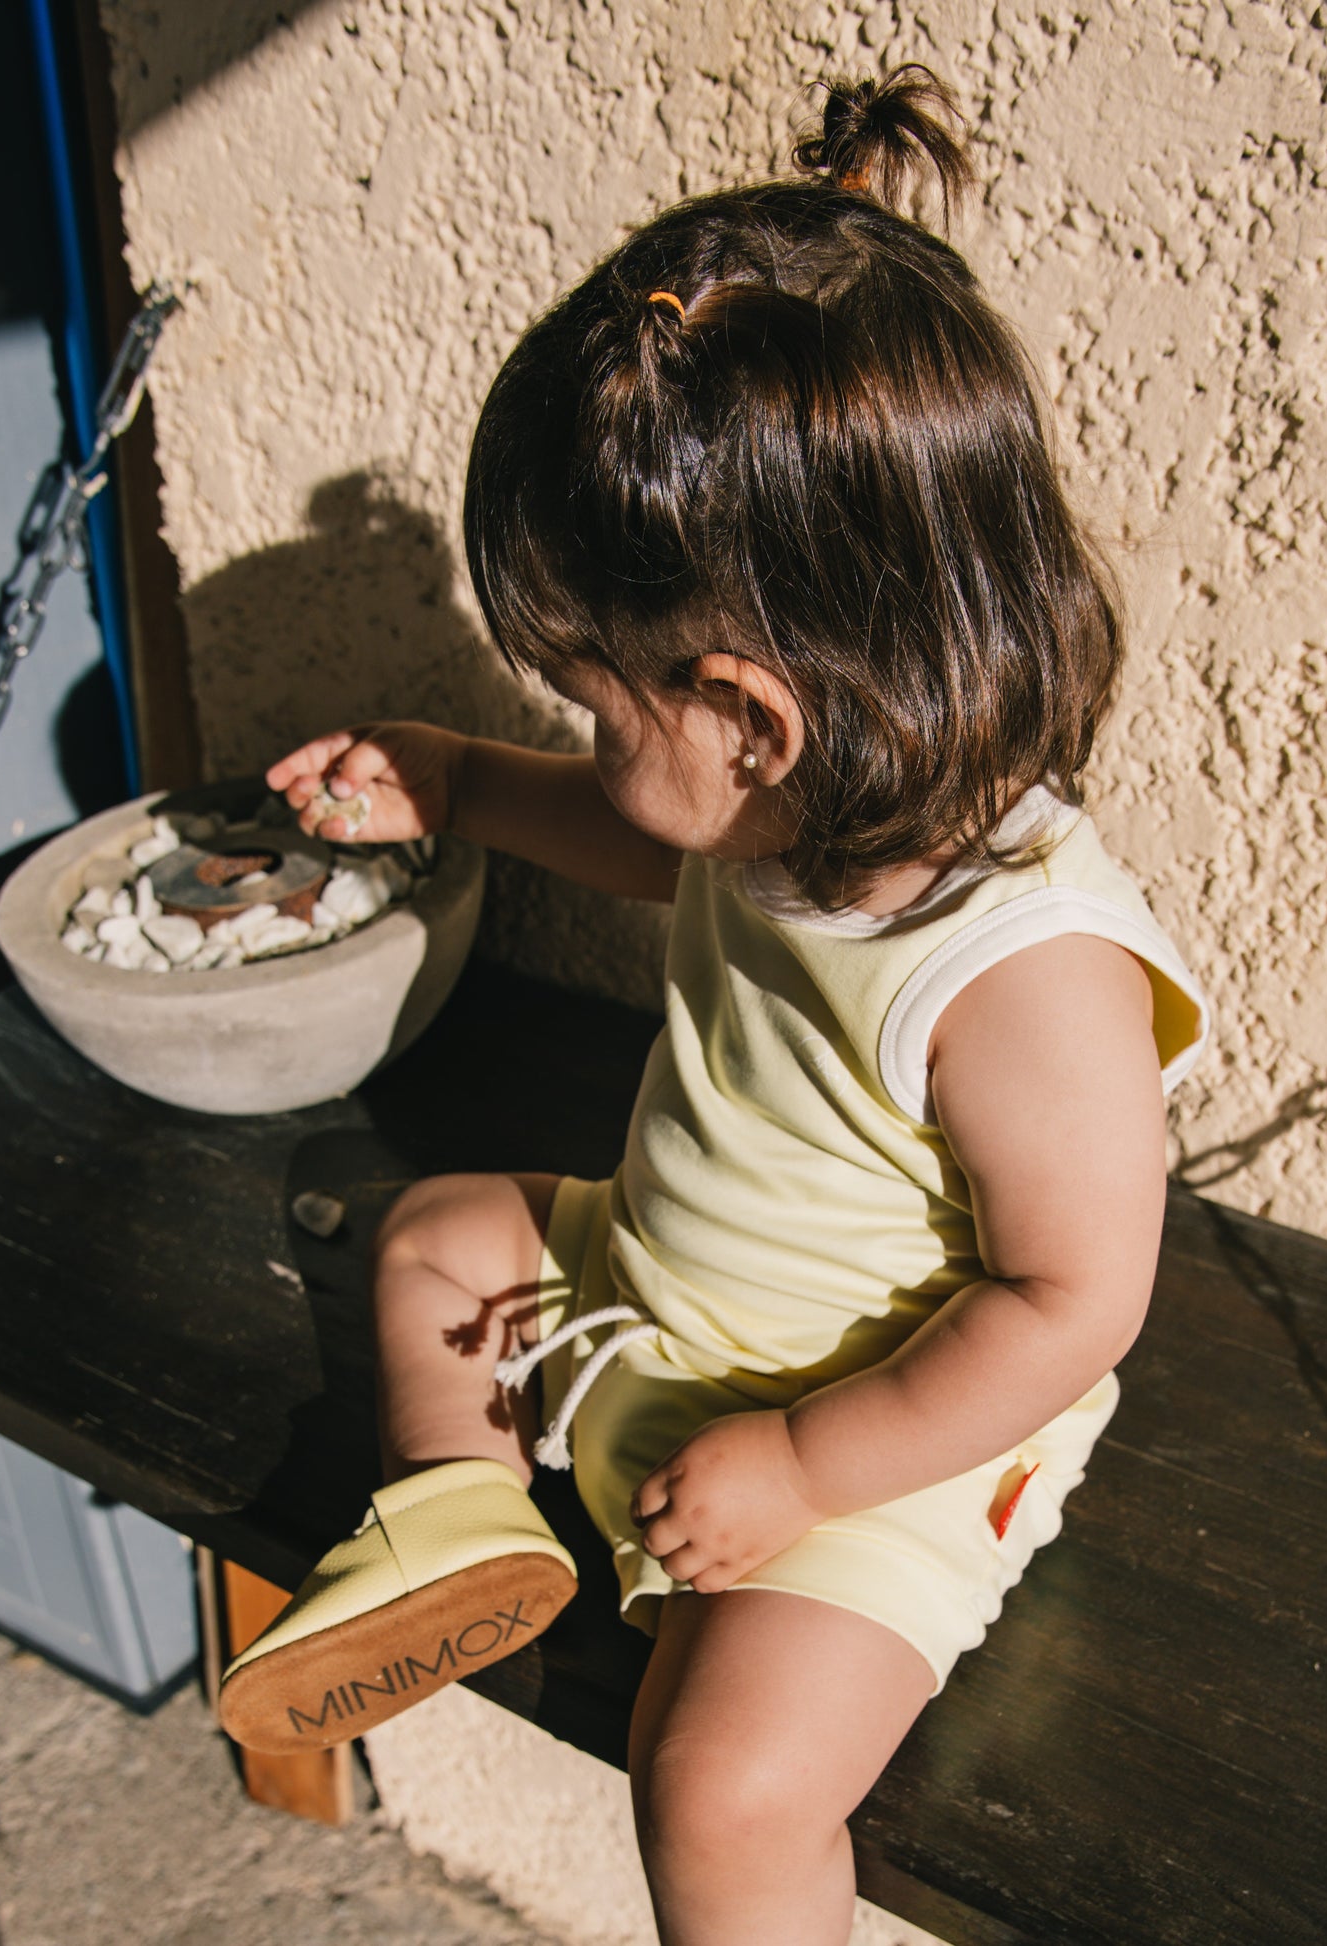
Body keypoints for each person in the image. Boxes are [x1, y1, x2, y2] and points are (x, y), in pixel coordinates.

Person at [218, 66, 1209, 1944]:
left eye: (592, 705)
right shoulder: (784, 804)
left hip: (883, 1434)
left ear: (751, 714)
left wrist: (806, 1464)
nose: (587, 742)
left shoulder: (1022, 965)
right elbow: (630, 832)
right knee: (432, 1240)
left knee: (721, 1788)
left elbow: (1072, 1299)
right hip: (659, 1289)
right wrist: (453, 775)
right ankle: (463, 1519)